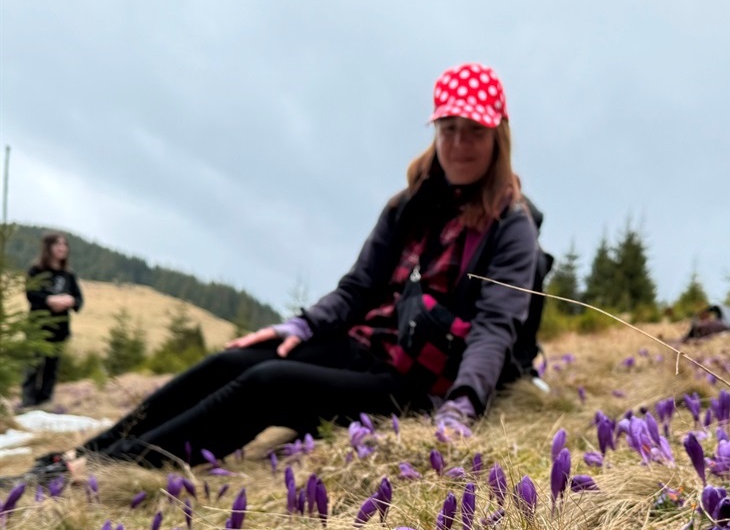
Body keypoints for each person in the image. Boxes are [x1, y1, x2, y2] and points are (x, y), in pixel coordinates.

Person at [31, 62, 540, 482]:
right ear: (435, 132)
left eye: (475, 131)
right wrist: (300, 326)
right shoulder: (409, 205)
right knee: (237, 360)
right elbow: (359, 288)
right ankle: (83, 454)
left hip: (422, 381)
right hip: (368, 344)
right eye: (449, 130)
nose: (459, 144)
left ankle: (102, 471)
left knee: (269, 382)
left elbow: (496, 327)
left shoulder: (510, 224)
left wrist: (463, 404)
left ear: (498, 136)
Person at [21, 232, 84, 408]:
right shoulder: (36, 271)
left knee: (51, 368)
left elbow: (79, 300)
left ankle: (45, 401)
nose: (63, 248)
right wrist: (50, 300)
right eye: (58, 245)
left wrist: (70, 301)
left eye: (65, 245)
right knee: (33, 365)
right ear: (49, 248)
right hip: (38, 327)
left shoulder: (69, 275)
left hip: (59, 329)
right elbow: (31, 293)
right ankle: (28, 402)